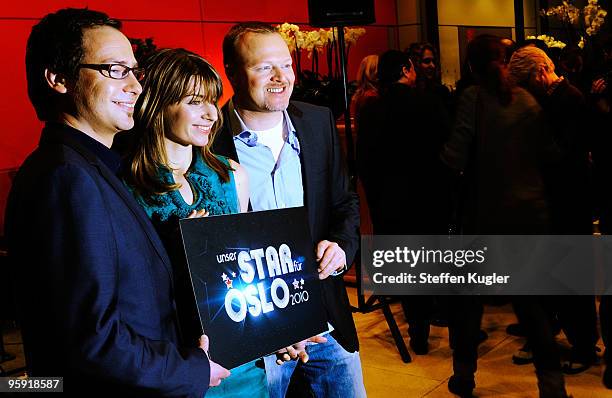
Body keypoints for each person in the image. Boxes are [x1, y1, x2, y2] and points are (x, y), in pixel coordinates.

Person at [5, 8, 228, 396]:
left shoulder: (94, 169)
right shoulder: (66, 177)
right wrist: (191, 370)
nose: (136, 87)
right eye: (115, 70)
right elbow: (91, 341)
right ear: (58, 79)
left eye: (134, 71)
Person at [212, 22, 365, 398]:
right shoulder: (206, 137)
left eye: (286, 65)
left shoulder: (317, 121)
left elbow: (344, 201)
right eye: (264, 67)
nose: (281, 77)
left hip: (325, 319)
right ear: (231, 71)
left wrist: (342, 246)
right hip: (255, 333)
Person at [122, 47, 268, 398]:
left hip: (240, 361)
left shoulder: (233, 175)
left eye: (213, 101)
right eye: (194, 101)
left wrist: (280, 330)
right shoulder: (124, 186)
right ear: (157, 105)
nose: (210, 114)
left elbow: (250, 270)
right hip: (170, 361)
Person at [441, 35, 569, 398]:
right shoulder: (526, 99)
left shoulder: (473, 98)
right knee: (531, 305)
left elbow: (455, 156)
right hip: (530, 215)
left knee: (468, 303)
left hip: (486, 217)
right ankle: (552, 387)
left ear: (470, 66)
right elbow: (549, 153)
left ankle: (464, 377)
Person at [508, 45, 599, 375]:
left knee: (573, 279)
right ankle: (551, 335)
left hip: (569, 203)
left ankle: (584, 346)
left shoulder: (569, 99)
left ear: (538, 74)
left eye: (525, 83)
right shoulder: (554, 98)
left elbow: (566, 156)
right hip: (553, 203)